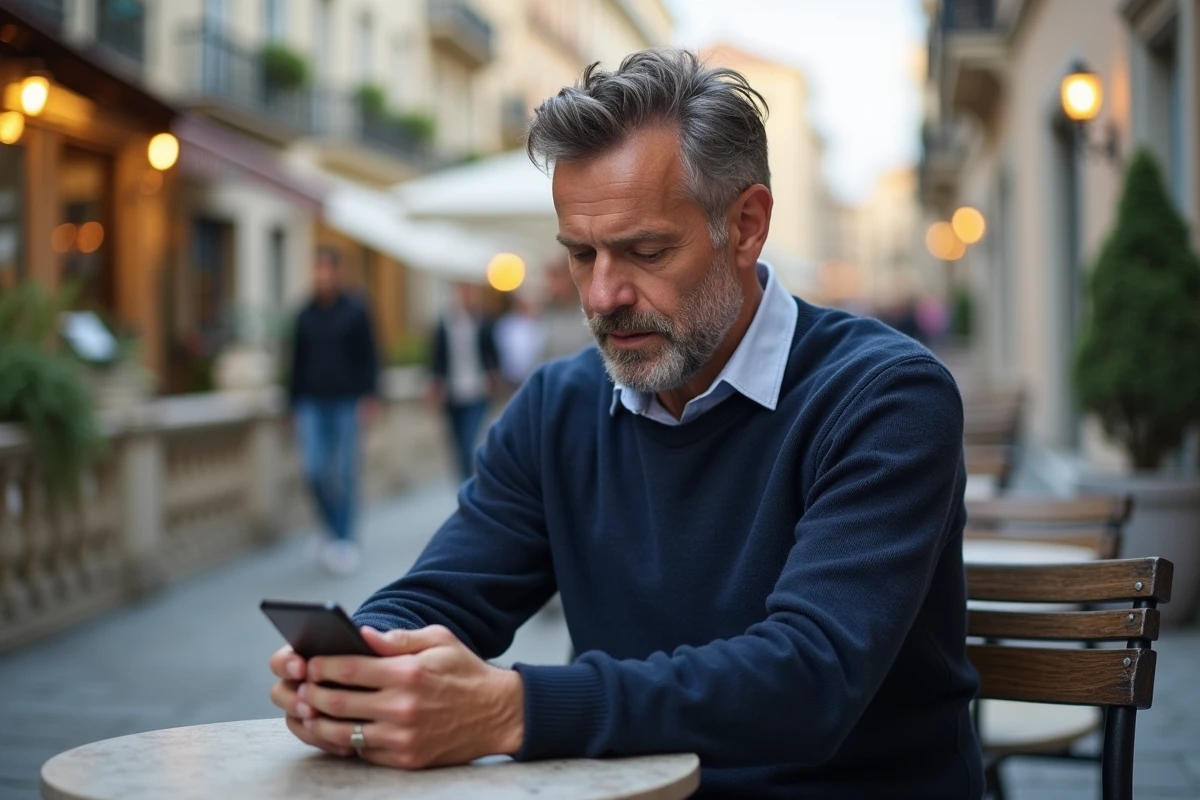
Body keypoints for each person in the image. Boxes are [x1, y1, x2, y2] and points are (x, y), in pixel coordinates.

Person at [269, 50, 983, 799]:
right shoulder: (556, 406)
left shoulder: (885, 396)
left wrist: (514, 711)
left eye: (645, 251)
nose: (603, 294)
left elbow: (810, 676)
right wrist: (359, 665)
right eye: (580, 254)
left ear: (745, 226)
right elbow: (442, 594)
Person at [287, 247, 379, 576]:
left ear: (337, 273)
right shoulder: (304, 314)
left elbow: (369, 356)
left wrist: (369, 396)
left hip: (345, 401)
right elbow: (295, 362)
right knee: (313, 470)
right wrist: (293, 404)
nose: (322, 276)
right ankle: (329, 527)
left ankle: (343, 539)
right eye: (317, 270)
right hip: (310, 402)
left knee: (343, 472)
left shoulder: (355, 311)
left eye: (327, 270)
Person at [427, 282, 500, 482]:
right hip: (452, 391)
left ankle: (472, 481)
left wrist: (494, 375)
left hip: (477, 389)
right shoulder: (445, 323)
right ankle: (463, 481)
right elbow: (437, 356)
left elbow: (492, 352)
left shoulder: (483, 321)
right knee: (457, 444)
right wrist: (435, 384)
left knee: (470, 439)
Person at [493, 290, 547, 391]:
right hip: (510, 378)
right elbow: (500, 348)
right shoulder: (506, 323)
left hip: (533, 376)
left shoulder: (538, 323)